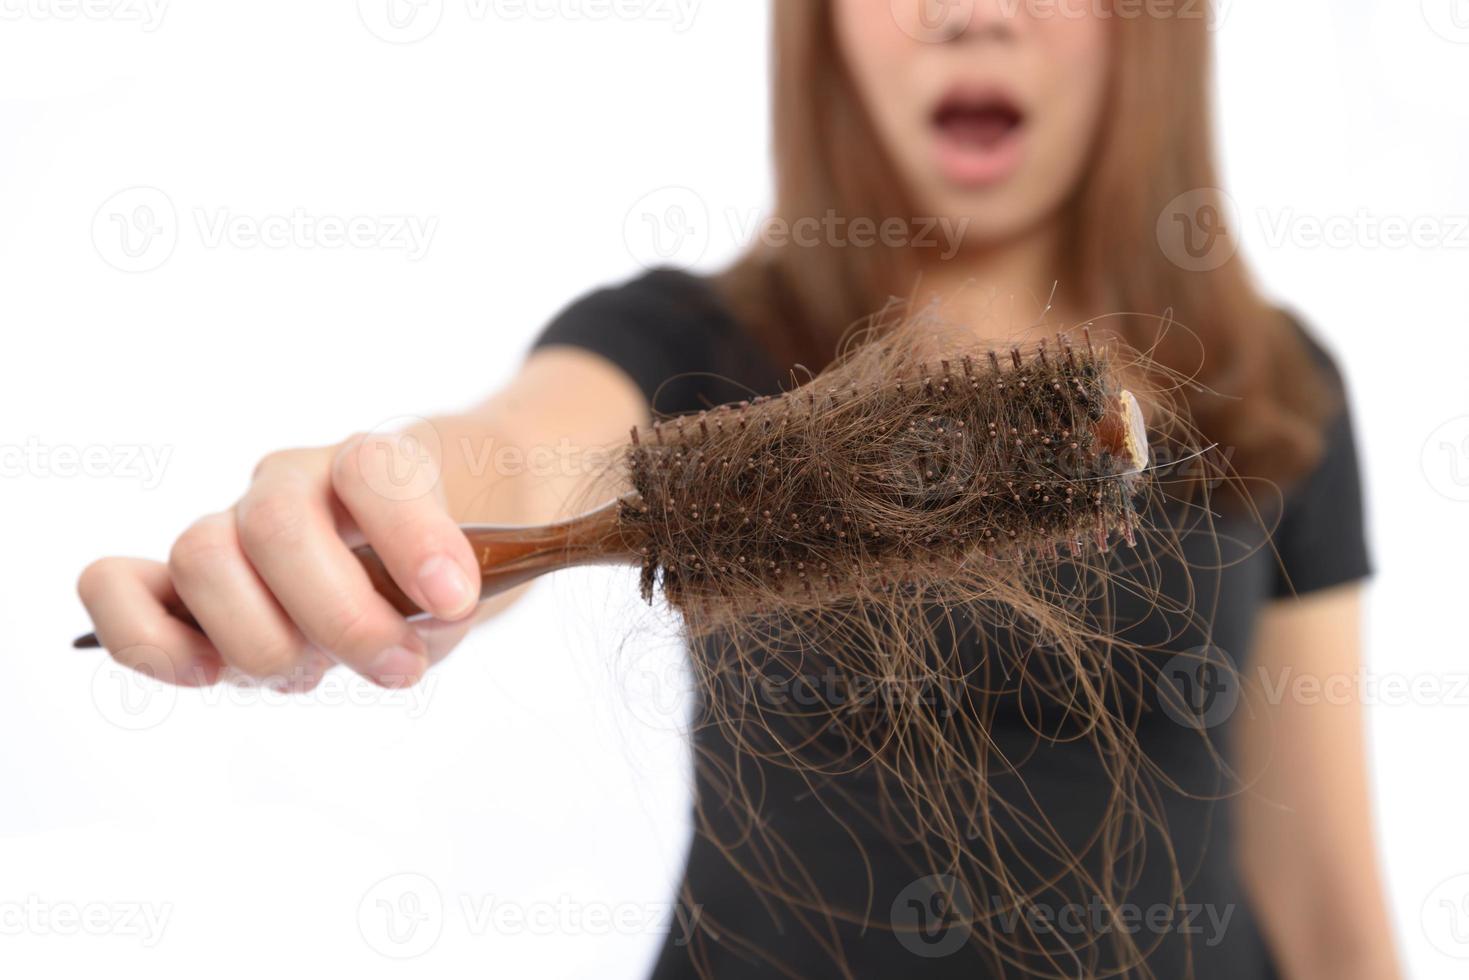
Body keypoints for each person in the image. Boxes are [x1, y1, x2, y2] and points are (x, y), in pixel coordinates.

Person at [75, 2, 1399, 977]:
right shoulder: (687, 345)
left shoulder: (1269, 389)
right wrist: (385, 508)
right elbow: (531, 446)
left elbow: (1325, 892)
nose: (971, 16)